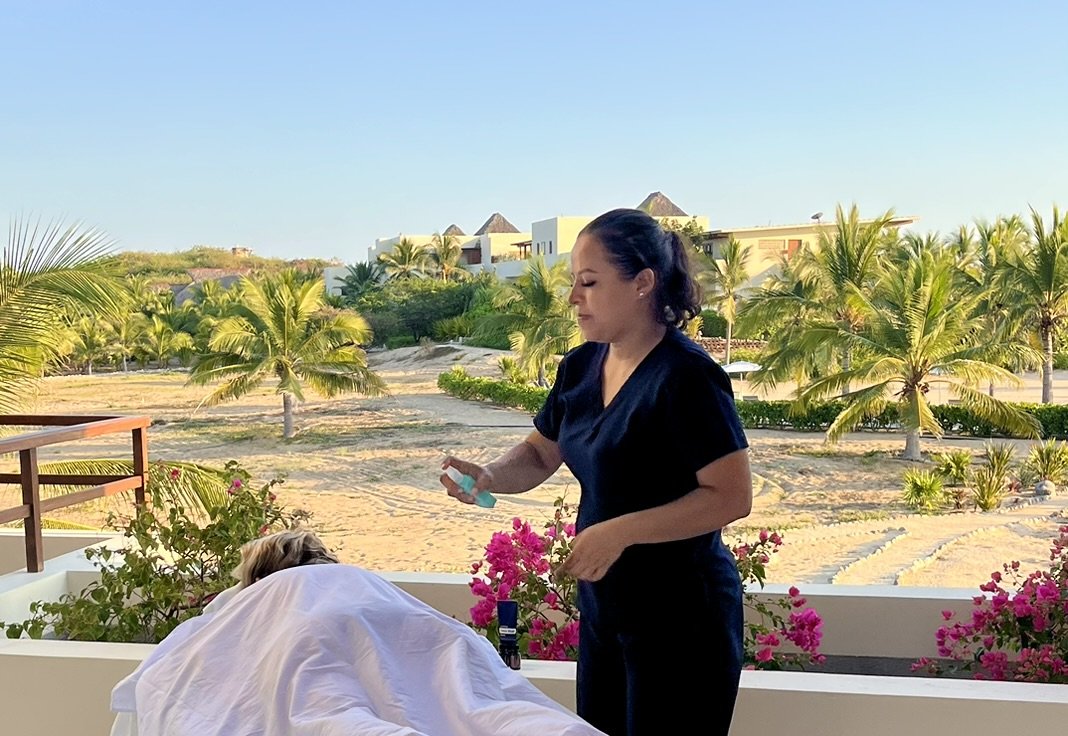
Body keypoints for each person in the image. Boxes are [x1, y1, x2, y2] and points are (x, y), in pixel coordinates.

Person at [442, 208, 753, 736]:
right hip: (608, 614)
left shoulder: (687, 377)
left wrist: (619, 531)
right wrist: (491, 475)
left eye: (588, 282)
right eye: (573, 284)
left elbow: (730, 497)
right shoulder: (580, 367)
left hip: (682, 621)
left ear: (642, 284)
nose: (572, 298)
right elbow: (541, 455)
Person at [110, 529, 606, 736]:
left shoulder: (259, 599)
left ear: (260, 573)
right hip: (396, 632)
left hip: (317, 642)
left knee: (329, 710)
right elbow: (430, 633)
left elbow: (184, 662)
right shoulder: (359, 580)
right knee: (472, 703)